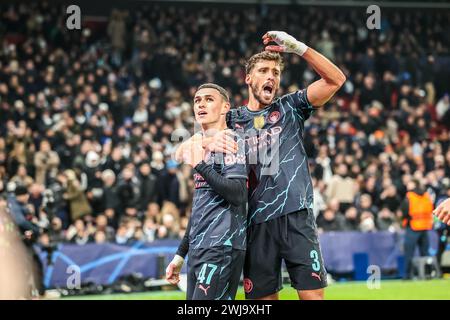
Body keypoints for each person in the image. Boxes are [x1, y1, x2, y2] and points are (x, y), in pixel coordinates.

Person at [225, 31, 345, 300]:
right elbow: (200, 132)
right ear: (248, 78)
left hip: (296, 215)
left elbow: (336, 80)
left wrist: (299, 48)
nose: (271, 77)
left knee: (312, 296)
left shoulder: (290, 107)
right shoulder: (230, 120)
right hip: (254, 222)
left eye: (276, 73)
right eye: (264, 70)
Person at [166, 83, 247, 300]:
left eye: (209, 99)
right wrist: (180, 254)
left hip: (222, 243)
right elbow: (200, 207)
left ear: (224, 107)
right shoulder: (201, 145)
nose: (201, 104)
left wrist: (200, 165)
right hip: (199, 246)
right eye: (197, 100)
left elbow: (238, 194)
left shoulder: (232, 140)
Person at [400, 179, 434, 279]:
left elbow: (405, 211)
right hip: (425, 226)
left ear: (414, 184)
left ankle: (408, 275)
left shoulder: (409, 196)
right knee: (425, 253)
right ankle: (428, 274)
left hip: (413, 226)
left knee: (409, 252)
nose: (407, 185)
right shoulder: (426, 195)